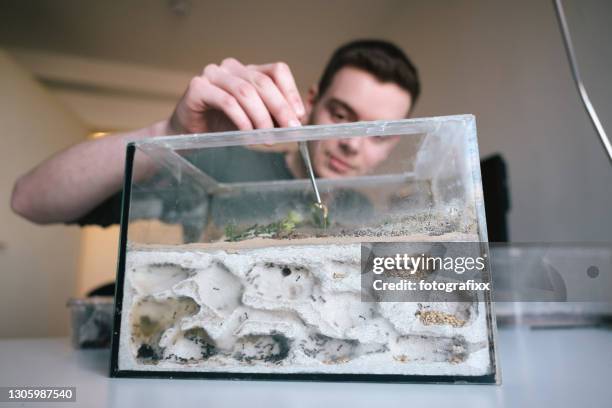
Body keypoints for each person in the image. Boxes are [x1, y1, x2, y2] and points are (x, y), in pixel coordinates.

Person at [10, 39, 421, 230]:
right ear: (311, 101)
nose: (352, 142)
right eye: (342, 115)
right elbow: (29, 200)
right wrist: (168, 134)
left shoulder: (366, 216)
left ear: (395, 144)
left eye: (378, 134)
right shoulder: (224, 163)